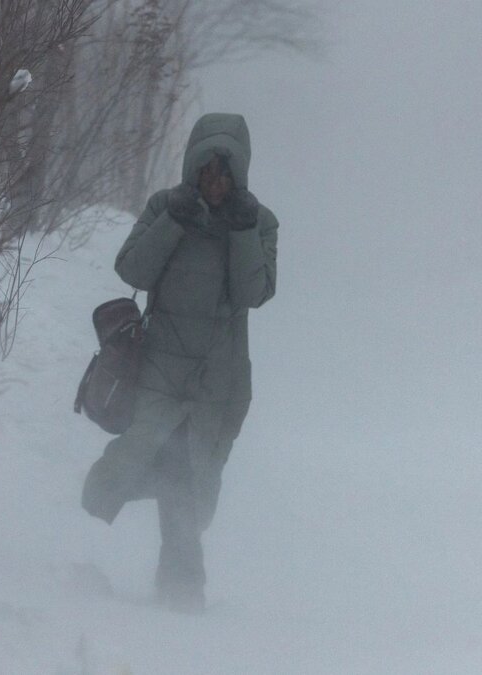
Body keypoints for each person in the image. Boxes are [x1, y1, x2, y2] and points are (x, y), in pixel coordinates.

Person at [81, 113, 278, 612]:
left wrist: (240, 230)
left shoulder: (259, 222)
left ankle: (182, 593)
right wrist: (174, 218)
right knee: (138, 463)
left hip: (218, 380)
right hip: (161, 372)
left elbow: (254, 292)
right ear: (193, 167)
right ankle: (80, 552)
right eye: (207, 170)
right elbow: (133, 270)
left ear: (239, 175)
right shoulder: (166, 208)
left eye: (225, 172)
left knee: (192, 482)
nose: (215, 181)